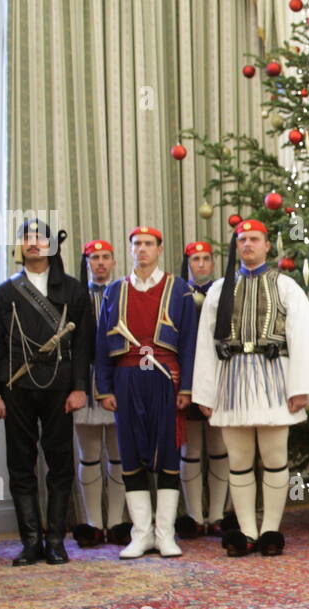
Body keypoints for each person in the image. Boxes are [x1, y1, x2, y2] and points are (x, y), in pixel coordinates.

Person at [192, 218, 309, 556]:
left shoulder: (287, 287)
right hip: (232, 380)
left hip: (274, 380)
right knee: (238, 460)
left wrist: (300, 387)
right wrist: (205, 393)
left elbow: (303, 338)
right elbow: (205, 343)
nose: (247, 245)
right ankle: (247, 532)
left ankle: (271, 530)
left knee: (274, 458)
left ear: (267, 245)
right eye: (242, 240)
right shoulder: (218, 289)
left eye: (254, 239)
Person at [0, 219, 92, 566]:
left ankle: (56, 541)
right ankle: (30, 541)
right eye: (27, 238)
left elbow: (83, 345)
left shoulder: (75, 290)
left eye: (40, 238)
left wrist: (80, 388)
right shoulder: (6, 291)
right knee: (20, 462)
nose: (33, 243)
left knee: (60, 462)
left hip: (60, 384)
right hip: (16, 384)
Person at [95, 225, 198, 559]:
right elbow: (100, 344)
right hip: (126, 379)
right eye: (136, 244)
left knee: (167, 455)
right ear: (130, 250)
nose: (141, 249)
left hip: (164, 377)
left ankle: (165, 535)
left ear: (159, 248)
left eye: (148, 244)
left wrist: (186, 386)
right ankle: (141, 534)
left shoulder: (178, 288)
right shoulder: (113, 291)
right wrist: (104, 388)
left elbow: (189, 342)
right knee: (131, 454)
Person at [71, 239, 128, 548]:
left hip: (118, 377)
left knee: (118, 455)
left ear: (114, 262)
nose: (101, 263)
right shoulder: (76, 296)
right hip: (85, 376)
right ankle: (93, 521)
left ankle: (117, 521)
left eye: (106, 257)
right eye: (95, 258)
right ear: (87, 262)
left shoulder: (125, 293)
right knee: (89, 454)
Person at [174, 240, 231, 540]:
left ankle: (218, 515)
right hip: (189, 379)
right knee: (191, 448)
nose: (201, 264)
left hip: (219, 377)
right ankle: (195, 515)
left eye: (206, 259)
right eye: (195, 259)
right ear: (188, 263)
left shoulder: (223, 292)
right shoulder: (178, 294)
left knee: (219, 448)